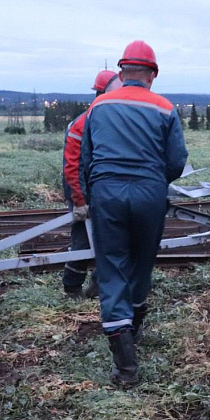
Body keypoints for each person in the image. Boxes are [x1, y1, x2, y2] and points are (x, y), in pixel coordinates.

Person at [80, 40, 188, 387]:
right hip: (148, 194)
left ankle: (126, 367)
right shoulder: (165, 109)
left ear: (122, 72)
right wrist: (154, 182)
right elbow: (176, 161)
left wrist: (94, 192)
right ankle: (135, 326)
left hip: (107, 193)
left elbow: (86, 158)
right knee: (142, 262)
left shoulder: (99, 106)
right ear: (152, 75)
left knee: (112, 268)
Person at [61, 69, 122, 300]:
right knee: (83, 240)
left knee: (111, 238)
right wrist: (79, 200)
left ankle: (99, 283)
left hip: (103, 190)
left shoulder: (108, 120)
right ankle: (72, 287)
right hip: (83, 190)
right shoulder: (83, 123)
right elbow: (73, 165)